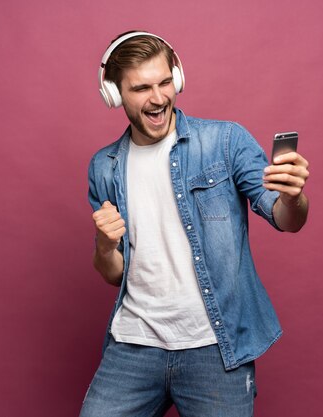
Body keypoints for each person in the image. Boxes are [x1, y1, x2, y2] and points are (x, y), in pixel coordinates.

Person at [79, 31, 309, 417]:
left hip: (214, 349)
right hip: (134, 345)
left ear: (178, 78)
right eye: (141, 88)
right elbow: (113, 274)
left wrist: (292, 197)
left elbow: (287, 220)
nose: (158, 98)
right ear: (114, 94)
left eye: (165, 82)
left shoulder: (225, 141)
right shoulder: (105, 167)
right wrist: (103, 246)